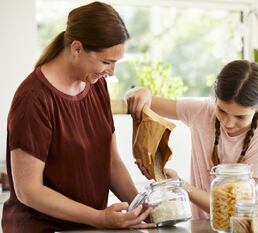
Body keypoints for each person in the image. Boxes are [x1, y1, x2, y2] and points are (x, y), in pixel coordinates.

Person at [2, 2, 155, 232]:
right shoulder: (33, 98)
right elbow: (28, 191)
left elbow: (112, 164)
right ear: (76, 49)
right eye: (106, 62)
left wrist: (144, 210)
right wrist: (100, 218)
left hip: (85, 227)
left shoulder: (96, 85)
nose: (111, 72)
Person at [127, 60, 258, 220]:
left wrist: (181, 185)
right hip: (198, 225)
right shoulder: (202, 112)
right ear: (215, 98)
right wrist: (140, 91)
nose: (228, 123)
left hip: (243, 226)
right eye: (222, 111)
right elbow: (142, 100)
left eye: (240, 117)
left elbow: (229, 209)